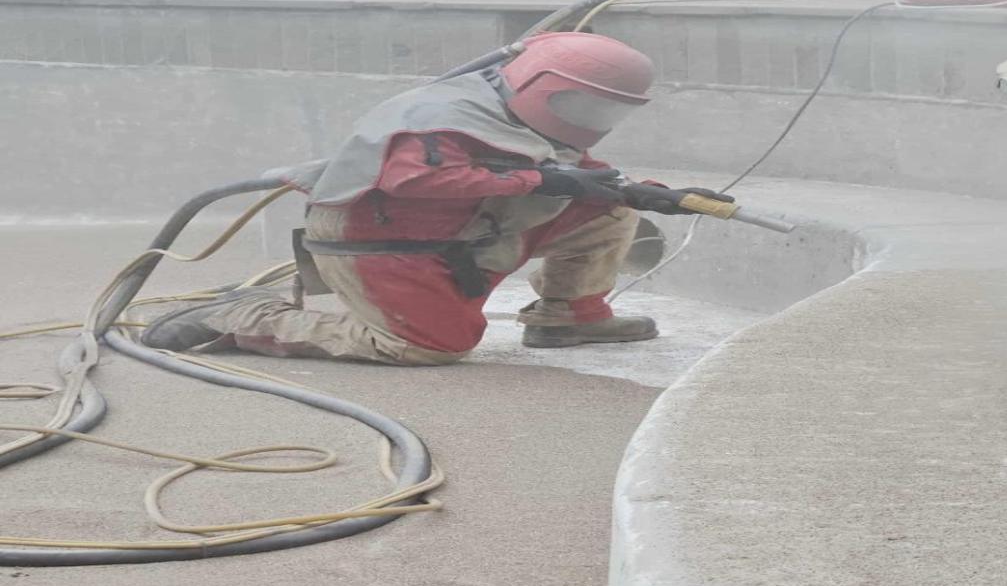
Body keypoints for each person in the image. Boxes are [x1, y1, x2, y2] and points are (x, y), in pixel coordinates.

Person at [142, 31, 705, 365]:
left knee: (609, 202)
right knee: (430, 348)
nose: (591, 122)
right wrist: (545, 183)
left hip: (457, 227)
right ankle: (252, 316)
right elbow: (413, 181)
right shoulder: (440, 116)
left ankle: (570, 317)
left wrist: (652, 195)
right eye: (584, 107)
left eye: (605, 111)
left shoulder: (516, 111)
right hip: (379, 237)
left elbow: (568, 172)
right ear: (543, 86)